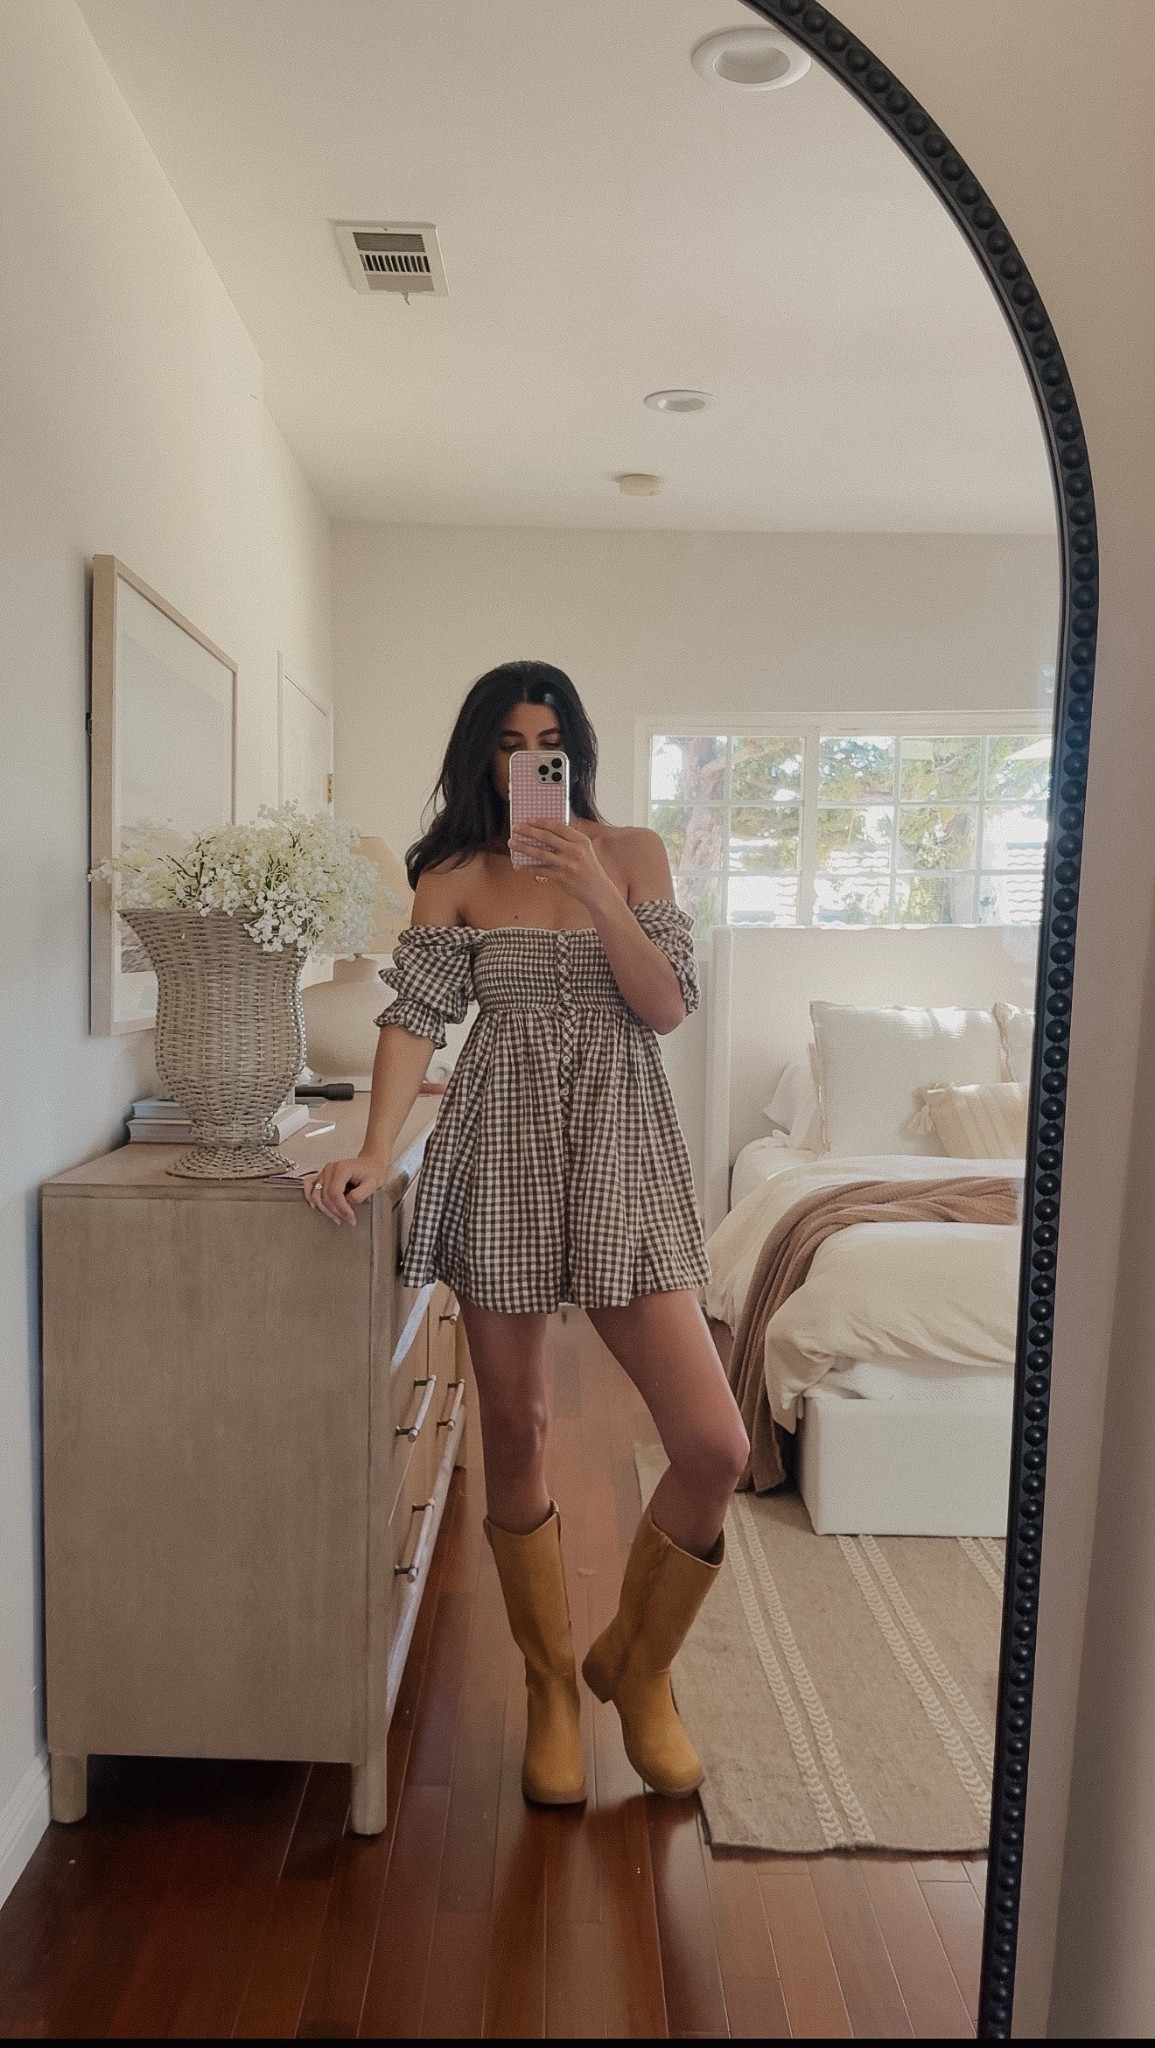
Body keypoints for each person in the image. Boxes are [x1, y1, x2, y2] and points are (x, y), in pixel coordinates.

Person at [301, 660, 748, 1805]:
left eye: (548, 741)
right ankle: (551, 1684)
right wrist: (372, 1145)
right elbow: (414, 1017)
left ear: (575, 752)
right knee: (517, 1423)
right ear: (483, 755)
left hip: (620, 1147)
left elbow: (665, 1005)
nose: (529, 760)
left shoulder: (633, 853)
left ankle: (637, 1668)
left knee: (714, 1443)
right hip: (500, 1143)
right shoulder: (454, 874)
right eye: (508, 742)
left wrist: (596, 889)